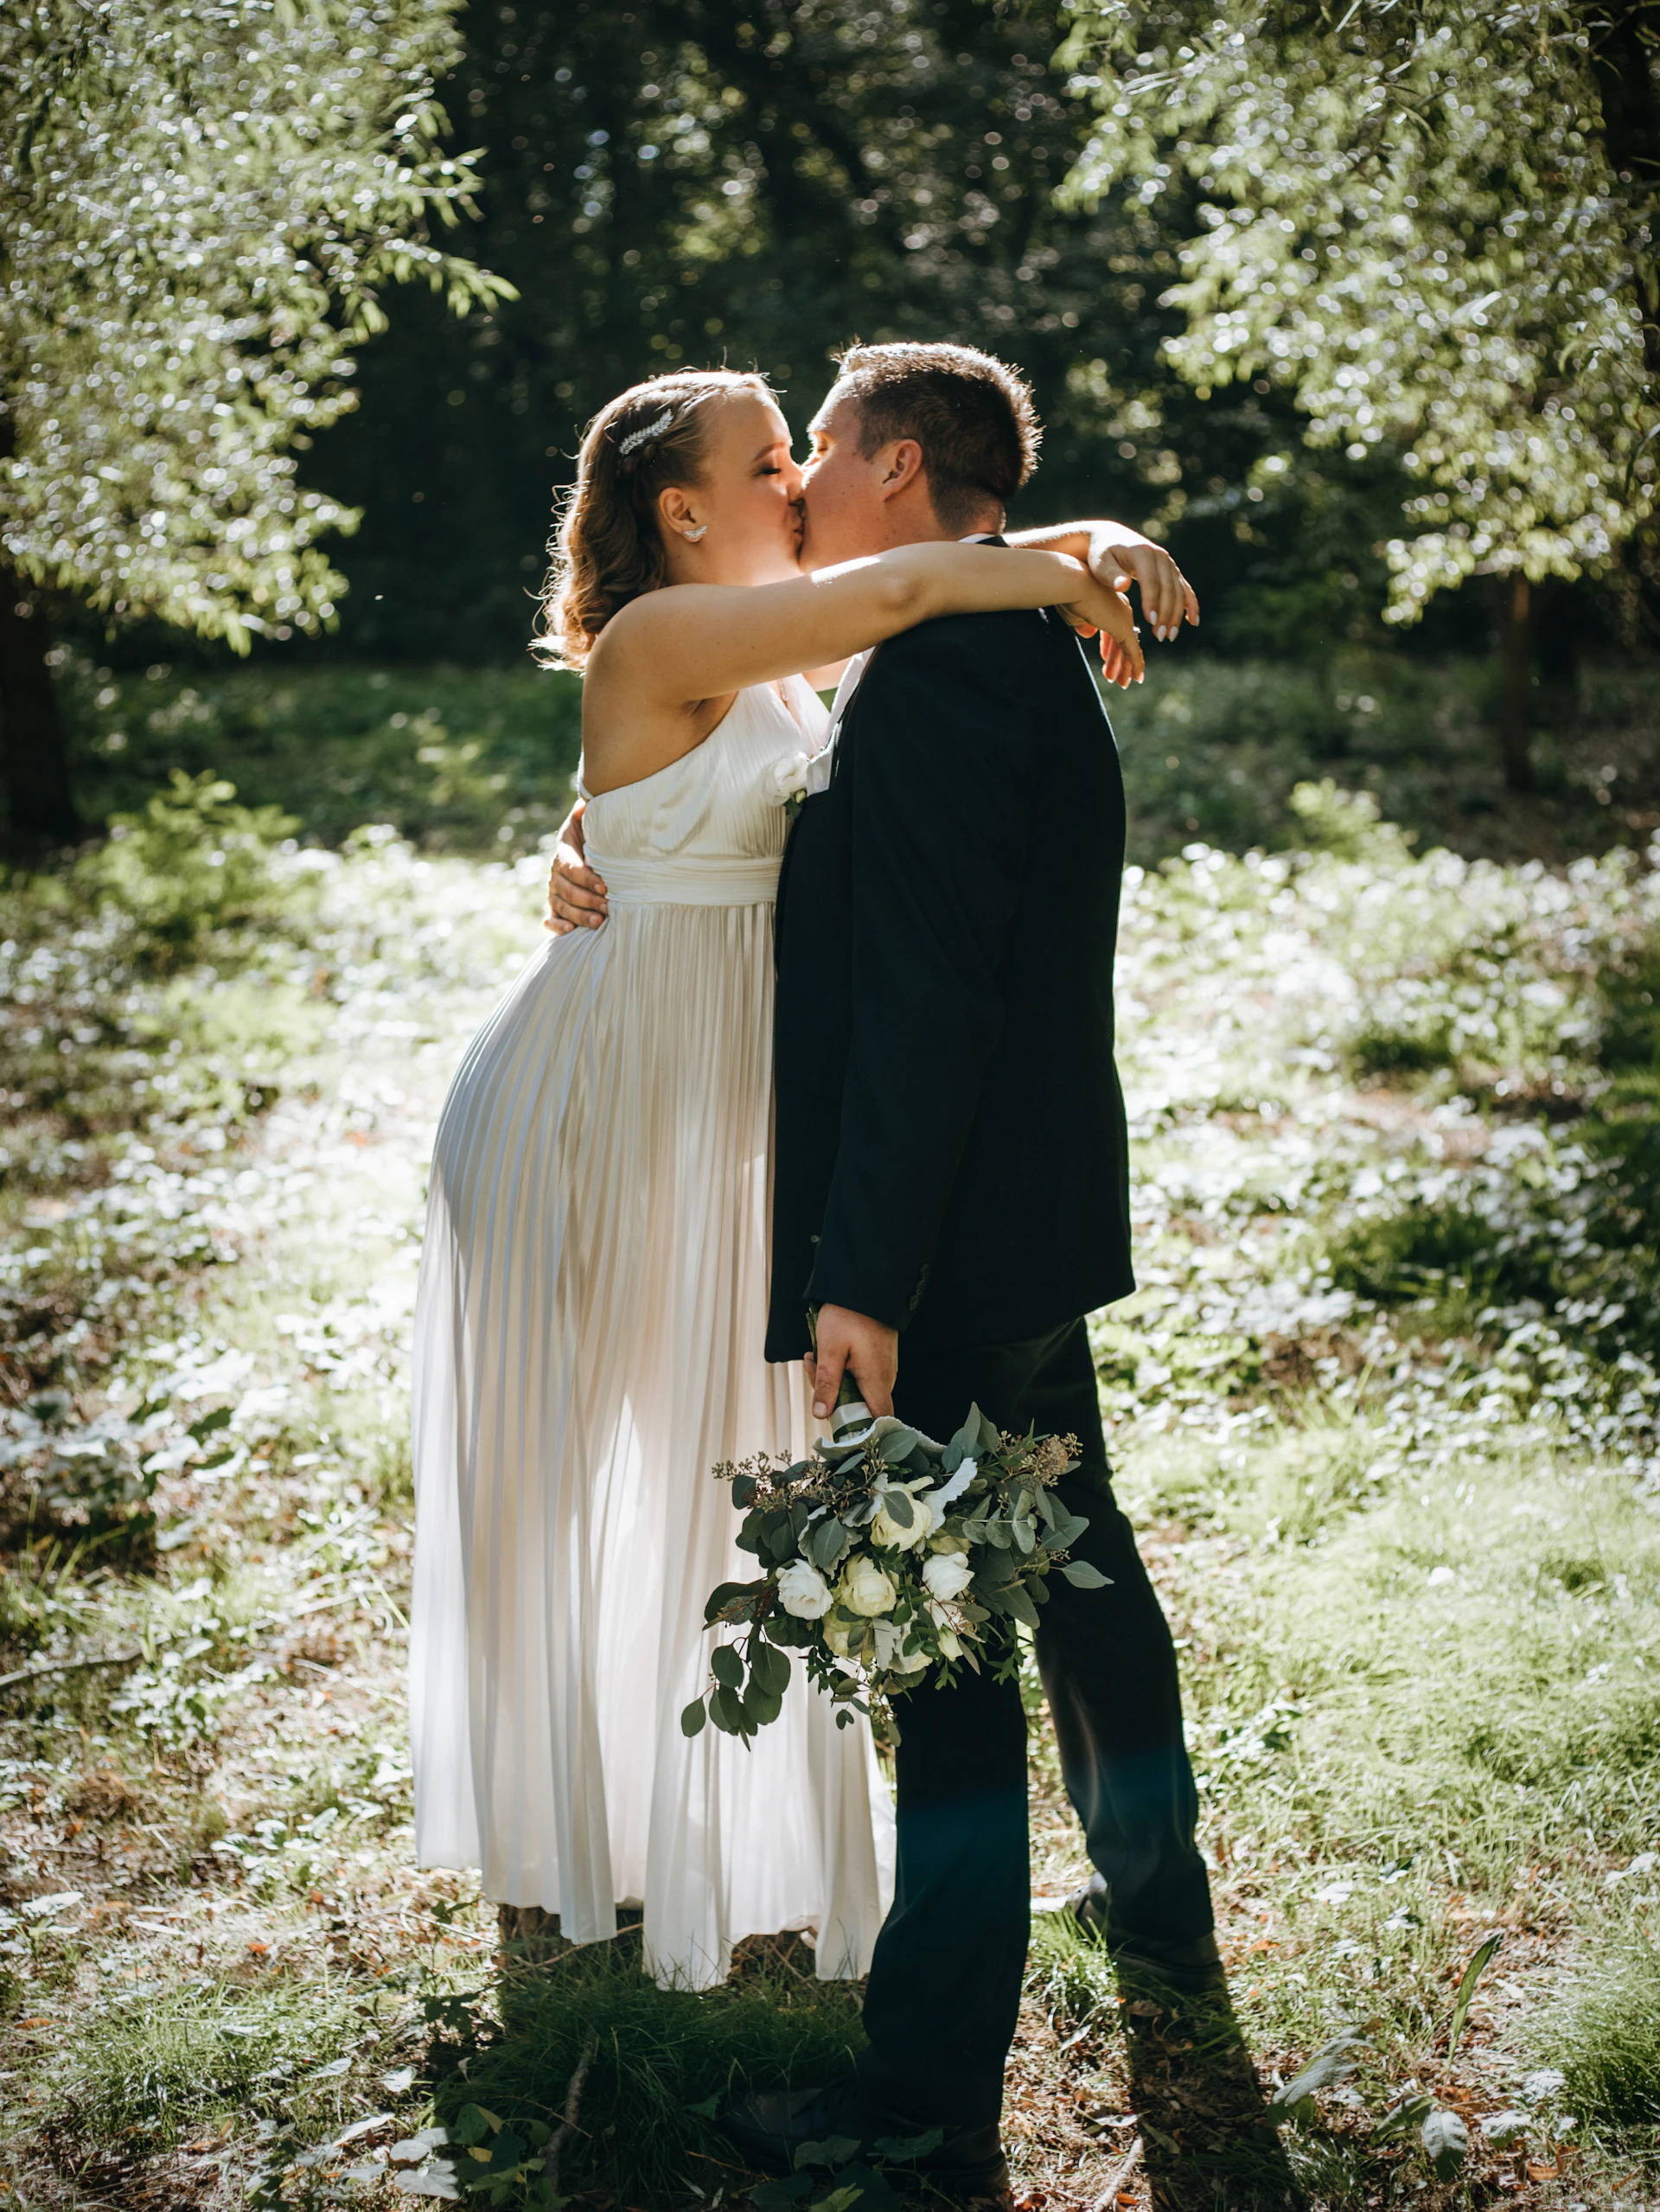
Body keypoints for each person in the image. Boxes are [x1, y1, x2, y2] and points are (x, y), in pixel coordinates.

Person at [546, 343, 1217, 2206]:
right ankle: (1163, 1916)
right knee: (1081, 1569)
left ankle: (925, 2105)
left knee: (947, 1660)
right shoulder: (1016, 644)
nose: (802, 484)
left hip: (941, 1241)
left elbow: (923, 1008)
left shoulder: (934, 677)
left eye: (820, 450)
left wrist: (862, 1275)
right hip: (1034, 1215)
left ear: (901, 468)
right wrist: (594, 837)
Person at [409, 364, 1148, 1996]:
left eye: (807, 449)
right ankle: (570, 1849)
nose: (795, 476)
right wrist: (1061, 556)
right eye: (766, 461)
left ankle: (722, 1849)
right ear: (684, 511)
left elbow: (892, 593)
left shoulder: (776, 644)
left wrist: (1072, 535)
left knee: (710, 1487)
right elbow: (898, 580)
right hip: (595, 1109)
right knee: (593, 1491)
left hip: (720, 1120)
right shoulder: (670, 636)